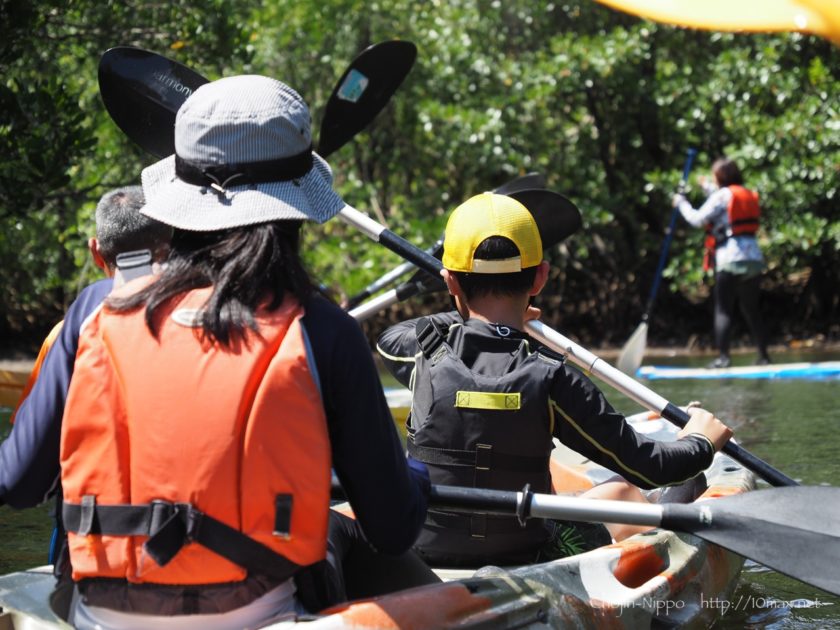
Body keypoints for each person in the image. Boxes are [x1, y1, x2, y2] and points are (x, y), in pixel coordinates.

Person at [55, 75, 430, 628]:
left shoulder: (97, 312)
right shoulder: (324, 330)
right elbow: (394, 528)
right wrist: (415, 475)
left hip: (96, 612)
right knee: (346, 535)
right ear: (296, 202)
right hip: (258, 614)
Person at [377, 192, 733, 568]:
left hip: (424, 552)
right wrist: (701, 442)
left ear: (450, 283)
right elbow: (651, 466)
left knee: (610, 493)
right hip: (526, 554)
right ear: (540, 277)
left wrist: (470, 318)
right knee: (623, 493)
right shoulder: (553, 376)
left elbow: (390, 338)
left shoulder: (421, 352)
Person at [1, 186, 173, 576]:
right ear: (169, 248)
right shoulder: (213, 318)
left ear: (97, 252)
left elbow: (25, 471)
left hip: (96, 559)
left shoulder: (71, 330)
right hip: (197, 555)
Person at [8, 186, 172, 425]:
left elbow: (27, 432)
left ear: (95, 252)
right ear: (168, 253)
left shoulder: (64, 337)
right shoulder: (193, 328)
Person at [673, 157, 771, 368]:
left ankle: (724, 358)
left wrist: (682, 204)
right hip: (753, 258)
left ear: (721, 177)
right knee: (751, 309)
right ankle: (764, 356)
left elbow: (698, 219)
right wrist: (706, 187)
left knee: (723, 309)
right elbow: (724, 201)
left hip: (730, 258)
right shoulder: (746, 192)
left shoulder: (721, 195)